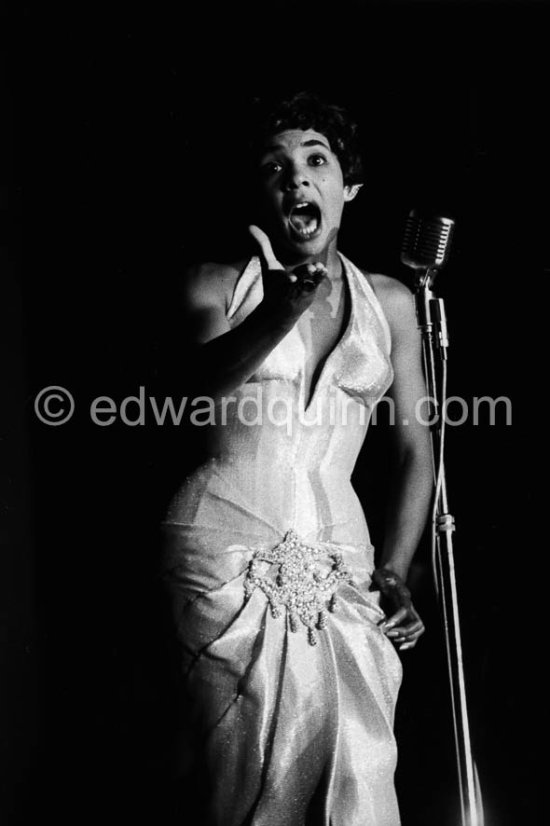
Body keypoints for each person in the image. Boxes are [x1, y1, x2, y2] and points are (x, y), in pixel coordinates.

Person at [160, 91, 433, 825]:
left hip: (343, 556)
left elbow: (414, 445)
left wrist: (398, 572)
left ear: (349, 188)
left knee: (357, 771)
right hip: (223, 550)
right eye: (275, 167)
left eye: (316, 161)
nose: (297, 179)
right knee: (240, 776)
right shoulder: (216, 284)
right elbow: (191, 390)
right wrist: (280, 309)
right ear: (260, 191)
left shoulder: (394, 302)